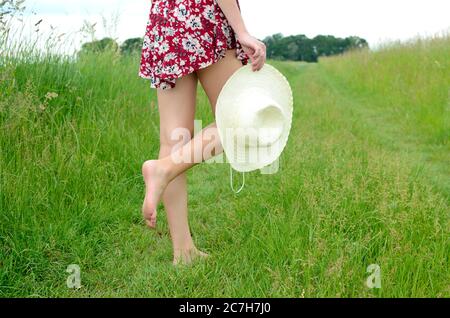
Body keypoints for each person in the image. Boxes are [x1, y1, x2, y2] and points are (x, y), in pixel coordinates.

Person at [138, 0, 266, 265]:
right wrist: (241, 30)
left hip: (166, 20)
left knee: (174, 138)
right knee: (242, 118)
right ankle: (163, 170)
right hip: (203, 15)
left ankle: (183, 251)